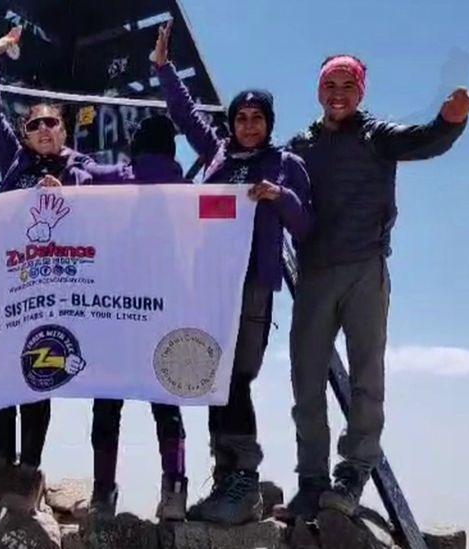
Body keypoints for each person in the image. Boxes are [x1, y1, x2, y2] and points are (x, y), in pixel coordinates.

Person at [283, 54, 469, 519]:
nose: (337, 93)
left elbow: (425, 141)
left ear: (361, 91)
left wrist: (450, 122)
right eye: (329, 83)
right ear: (318, 90)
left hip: (365, 269)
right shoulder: (300, 146)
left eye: (347, 84)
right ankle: (311, 480)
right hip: (314, 272)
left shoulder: (376, 135)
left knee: (366, 376)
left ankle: (352, 472)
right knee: (306, 380)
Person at [152, 22, 312, 524]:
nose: (246, 125)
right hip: (209, 285)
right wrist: (163, 68)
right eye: (240, 118)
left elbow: (304, 223)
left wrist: (278, 196)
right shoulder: (218, 154)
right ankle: (224, 477)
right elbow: (184, 114)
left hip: (252, 286)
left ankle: (244, 475)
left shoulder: (284, 162)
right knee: (212, 376)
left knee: (238, 376)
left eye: (255, 118)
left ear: (268, 122)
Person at [0, 27, 95, 492]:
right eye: (34, 124)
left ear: (64, 130)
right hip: (6, 284)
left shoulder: (81, 167)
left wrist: (71, 194)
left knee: (39, 369)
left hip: (55, 290)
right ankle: (2, 461)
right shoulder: (12, 160)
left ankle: (29, 467)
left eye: (52, 123)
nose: (43, 130)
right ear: (24, 134)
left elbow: (117, 192)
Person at [81, 115, 190, 520]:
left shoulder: (115, 182)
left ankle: (102, 494)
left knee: (106, 404)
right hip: (165, 311)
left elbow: (82, 175)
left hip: (115, 312)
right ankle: (174, 490)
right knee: (166, 403)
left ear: (134, 146)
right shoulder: (187, 191)